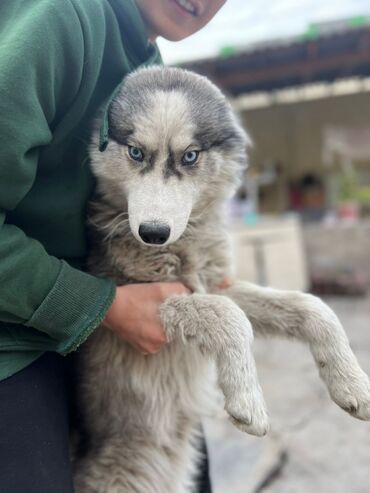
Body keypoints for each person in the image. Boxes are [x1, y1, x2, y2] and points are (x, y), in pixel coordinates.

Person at [0, 0, 226, 491]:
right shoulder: (62, 20)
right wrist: (104, 307)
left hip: (95, 325)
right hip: (12, 335)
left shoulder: (150, 71)